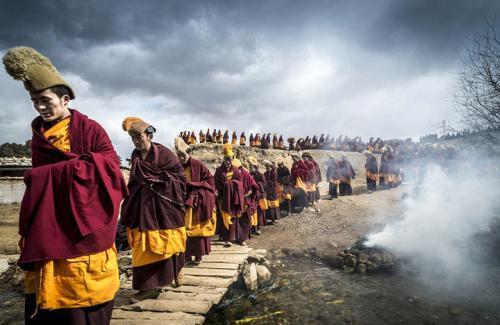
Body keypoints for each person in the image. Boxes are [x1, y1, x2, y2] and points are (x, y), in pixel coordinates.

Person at [3, 46, 128, 324]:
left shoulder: (90, 129)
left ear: (65, 98)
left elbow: (111, 169)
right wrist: (47, 176)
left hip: (86, 224)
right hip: (51, 224)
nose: (40, 107)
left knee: (85, 295)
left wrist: (52, 173)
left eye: (45, 100)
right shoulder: (39, 136)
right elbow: (39, 177)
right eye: (35, 101)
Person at [121, 117, 187, 302]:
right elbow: (134, 180)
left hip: (164, 207)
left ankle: (177, 269)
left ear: (149, 135)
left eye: (139, 137)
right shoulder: (135, 155)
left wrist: (158, 179)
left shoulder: (165, 154)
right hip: (142, 208)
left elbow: (180, 178)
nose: (136, 141)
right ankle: (147, 287)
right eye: (132, 138)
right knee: (142, 247)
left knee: (169, 243)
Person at [175, 138, 217, 265]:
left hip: (197, 200)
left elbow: (209, 180)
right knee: (184, 230)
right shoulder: (178, 167)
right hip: (183, 201)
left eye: (183, 155)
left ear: (188, 153)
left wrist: (194, 186)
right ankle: (187, 257)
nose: (181, 158)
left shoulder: (198, 165)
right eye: (179, 155)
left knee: (198, 229)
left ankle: (198, 256)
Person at [214, 144, 246, 246]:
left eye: (230, 160)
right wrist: (225, 187)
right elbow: (216, 184)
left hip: (234, 198)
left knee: (235, 217)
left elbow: (240, 181)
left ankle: (239, 238)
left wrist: (231, 184)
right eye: (226, 159)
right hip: (223, 198)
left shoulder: (235, 170)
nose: (228, 162)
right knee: (225, 217)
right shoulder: (219, 170)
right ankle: (227, 238)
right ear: (224, 159)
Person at [247, 156, 267, 233]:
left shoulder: (261, 175)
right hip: (252, 196)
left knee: (258, 212)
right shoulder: (249, 175)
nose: (251, 168)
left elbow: (264, 185)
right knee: (252, 211)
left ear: (255, 167)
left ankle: (258, 228)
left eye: (252, 167)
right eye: (250, 167)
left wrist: (256, 185)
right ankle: (252, 228)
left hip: (259, 196)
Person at [263, 160, 281, 225]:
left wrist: (268, 183)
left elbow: (274, 182)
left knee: (274, 205)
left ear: (271, 167)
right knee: (270, 206)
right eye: (266, 168)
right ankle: (272, 219)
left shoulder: (274, 173)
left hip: (273, 191)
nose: (267, 169)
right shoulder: (265, 173)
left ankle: (274, 219)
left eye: (268, 167)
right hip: (268, 191)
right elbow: (264, 181)